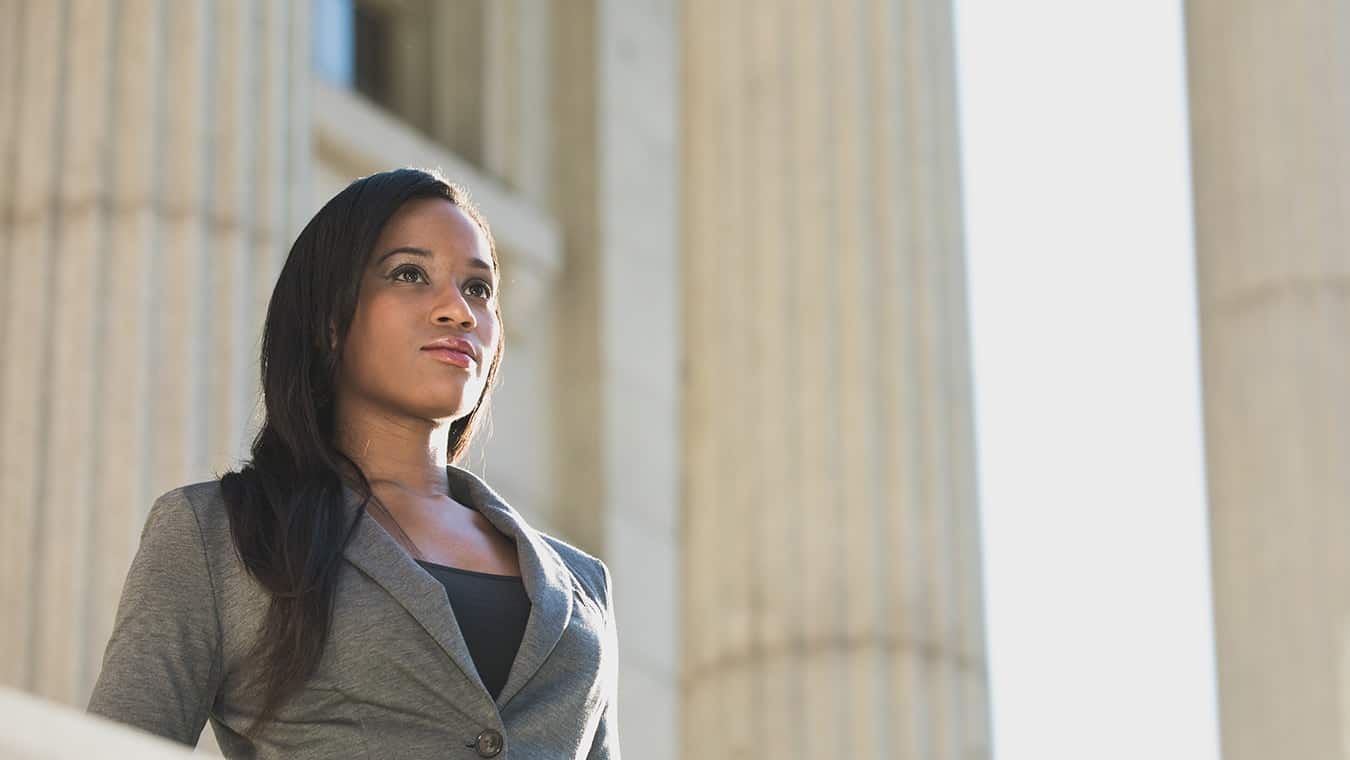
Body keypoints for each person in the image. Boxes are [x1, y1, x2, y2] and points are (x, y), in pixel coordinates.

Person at [87, 168, 620, 759]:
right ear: (329, 321)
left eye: (478, 288)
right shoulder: (217, 535)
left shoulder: (581, 583)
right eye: (410, 275)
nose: (459, 312)